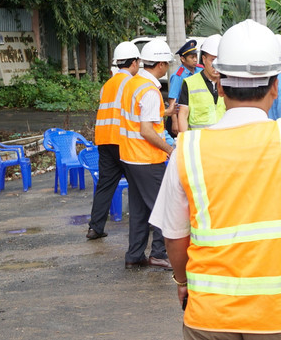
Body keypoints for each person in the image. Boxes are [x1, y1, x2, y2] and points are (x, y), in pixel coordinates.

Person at [150, 19, 281, 339]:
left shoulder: (187, 150)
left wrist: (182, 282)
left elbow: (175, 238)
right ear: (275, 87)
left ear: (221, 87)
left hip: (211, 315)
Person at [118, 39, 176, 269]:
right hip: (147, 158)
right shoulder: (150, 91)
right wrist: (169, 149)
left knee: (139, 209)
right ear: (161, 65)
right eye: (167, 63)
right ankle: (159, 253)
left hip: (129, 157)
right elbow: (147, 130)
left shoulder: (132, 83)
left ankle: (134, 255)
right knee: (163, 207)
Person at [86, 41, 139, 240]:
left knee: (105, 185)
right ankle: (148, 224)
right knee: (139, 183)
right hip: (123, 140)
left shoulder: (107, 85)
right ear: (134, 63)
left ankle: (95, 227)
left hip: (104, 140)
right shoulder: (131, 83)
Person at [177, 34, 225, 133]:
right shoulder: (190, 83)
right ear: (204, 59)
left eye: (219, 60)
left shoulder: (229, 82)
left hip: (224, 139)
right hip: (199, 141)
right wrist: (185, 139)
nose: (216, 65)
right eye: (212, 60)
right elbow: (183, 115)